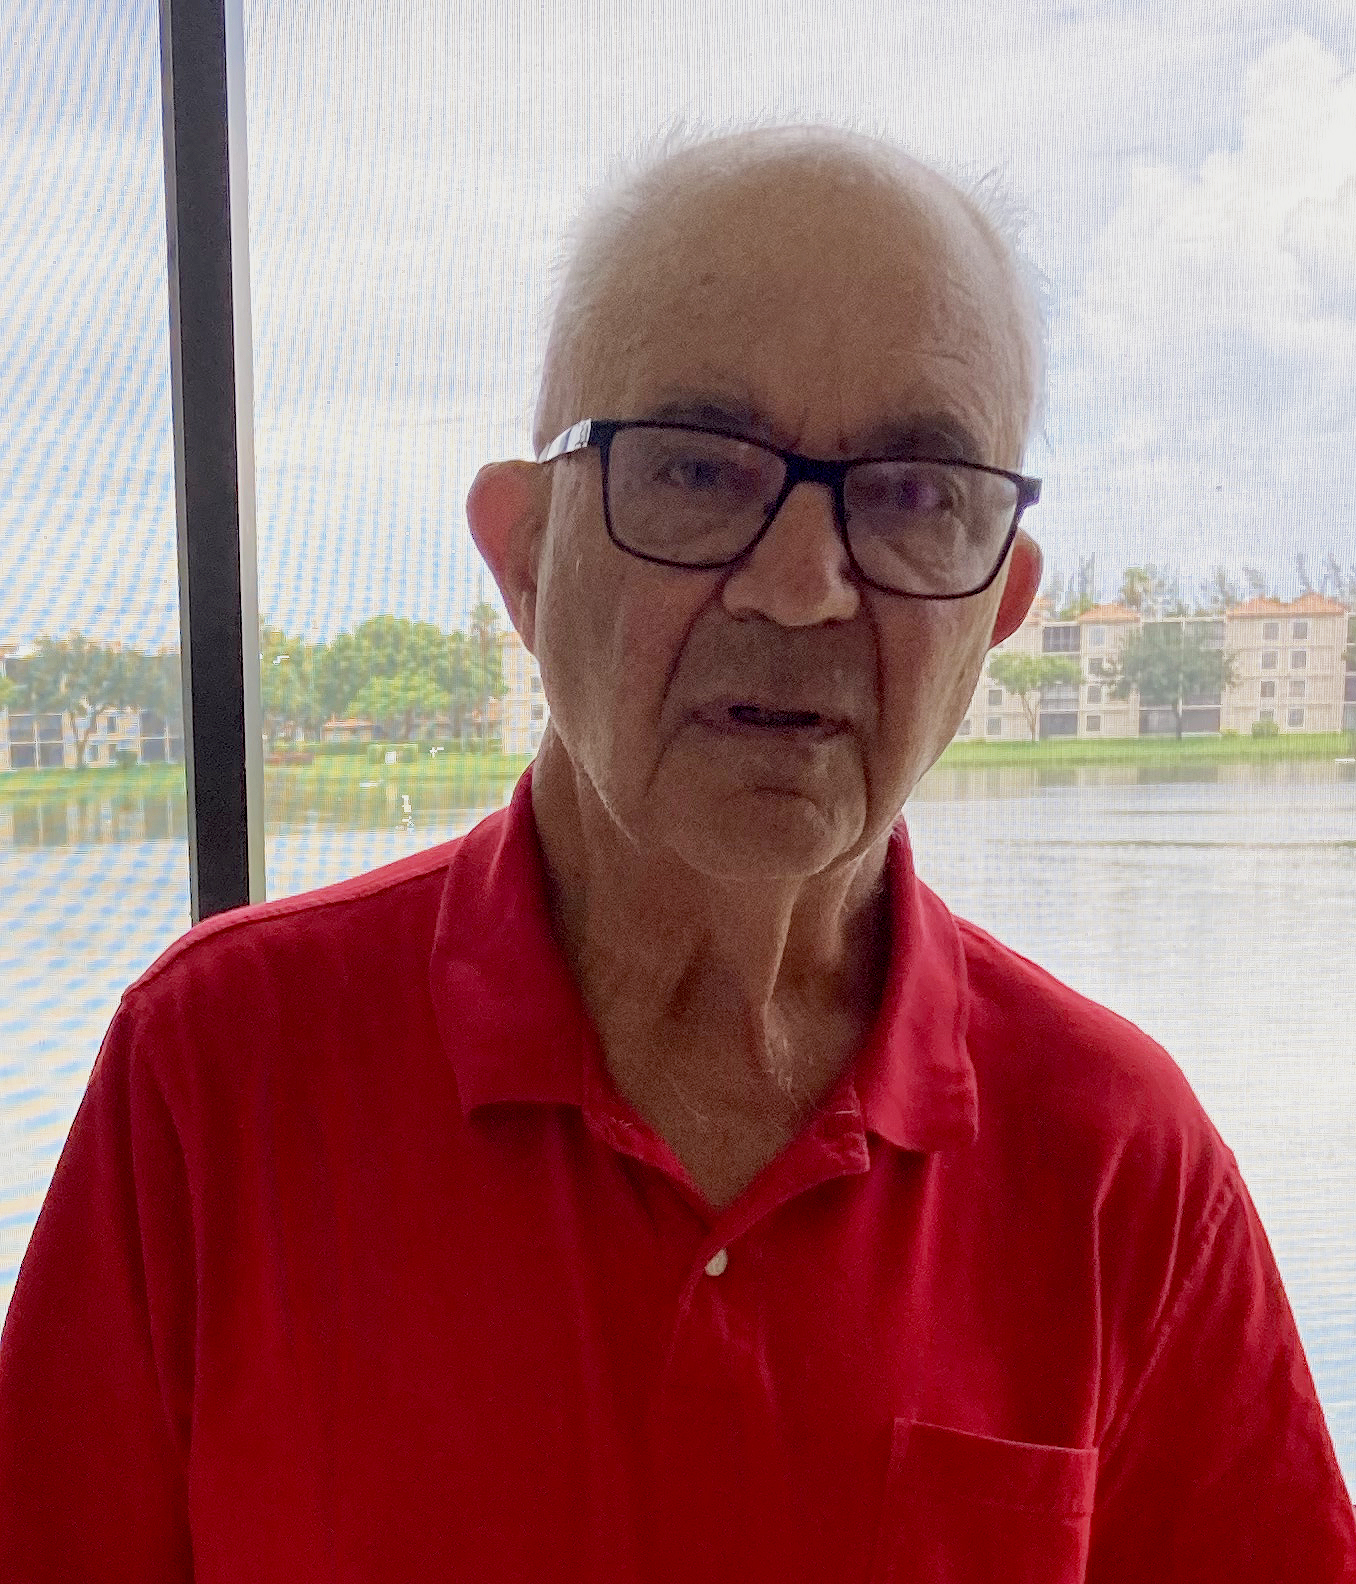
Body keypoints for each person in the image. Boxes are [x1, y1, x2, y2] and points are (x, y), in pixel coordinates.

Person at [1, 126, 1352, 1584]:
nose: (802, 586)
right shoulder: (220, 1073)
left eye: (914, 494)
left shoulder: (1117, 1165)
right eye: (698, 472)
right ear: (522, 557)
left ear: (998, 611)